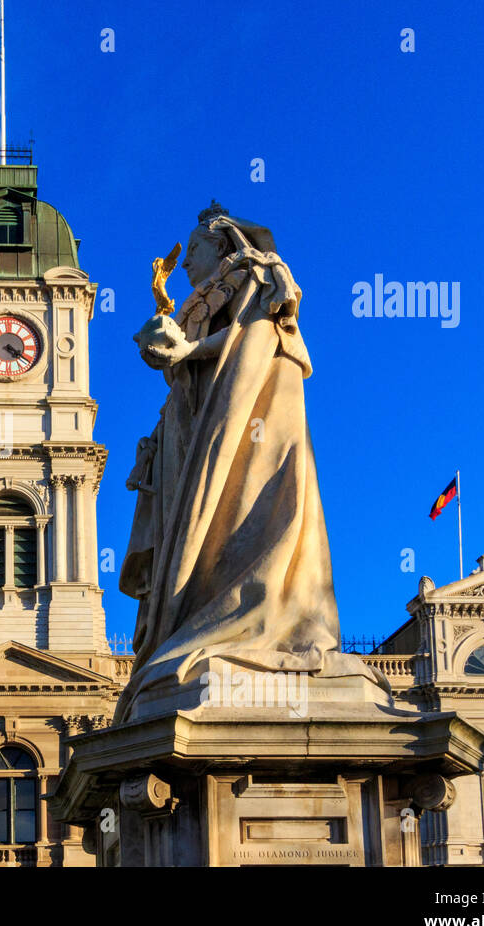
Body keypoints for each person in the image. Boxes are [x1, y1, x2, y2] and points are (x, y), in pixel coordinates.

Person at [117, 202, 388, 722]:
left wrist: (184, 351)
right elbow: (199, 359)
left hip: (255, 412)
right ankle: (210, 616)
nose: (187, 259)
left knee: (248, 508)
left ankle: (263, 619)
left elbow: (256, 334)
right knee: (208, 529)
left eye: (193, 249)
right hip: (204, 426)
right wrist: (169, 345)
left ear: (219, 245)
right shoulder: (202, 295)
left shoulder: (255, 272)